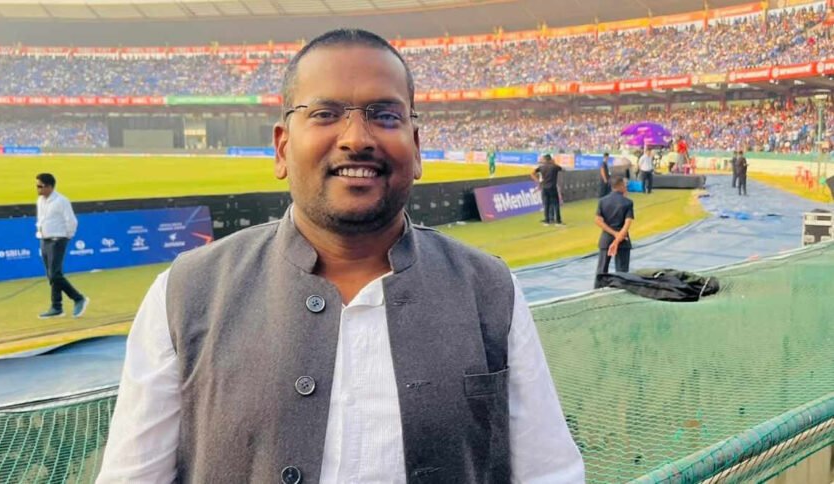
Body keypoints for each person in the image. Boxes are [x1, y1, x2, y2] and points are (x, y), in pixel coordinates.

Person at [98, 29, 584, 484]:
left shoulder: (489, 289)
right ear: (282, 147)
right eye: (325, 114)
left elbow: (550, 474)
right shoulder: (186, 293)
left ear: (416, 148)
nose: (357, 138)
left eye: (385, 115)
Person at [35, 173, 89, 319]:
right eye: (37, 186)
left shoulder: (61, 201)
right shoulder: (40, 201)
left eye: (40, 186)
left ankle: (78, 298)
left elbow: (71, 220)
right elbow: (42, 219)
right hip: (44, 239)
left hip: (57, 240)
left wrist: (67, 236)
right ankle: (56, 306)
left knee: (55, 274)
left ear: (49, 187)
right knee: (51, 275)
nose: (37, 189)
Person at [595, 175, 635, 284]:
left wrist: (613, 233)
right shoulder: (627, 202)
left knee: (601, 270)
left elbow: (598, 221)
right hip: (622, 240)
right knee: (622, 272)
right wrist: (618, 238)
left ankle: (597, 289)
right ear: (621, 185)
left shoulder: (602, 201)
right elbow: (627, 223)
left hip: (606, 239)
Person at [531, 153, 564, 226]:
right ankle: (558, 221)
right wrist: (554, 163)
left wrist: (538, 181)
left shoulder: (541, 167)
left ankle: (547, 220)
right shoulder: (554, 167)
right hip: (552, 187)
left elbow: (532, 173)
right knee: (556, 204)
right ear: (551, 159)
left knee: (546, 204)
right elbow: (561, 169)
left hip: (544, 187)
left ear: (545, 160)